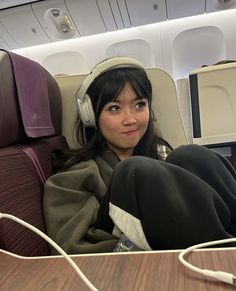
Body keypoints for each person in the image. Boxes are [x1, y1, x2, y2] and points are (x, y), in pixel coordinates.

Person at [43, 57, 236, 255]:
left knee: (193, 155)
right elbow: (70, 249)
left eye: (139, 105)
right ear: (90, 116)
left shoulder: (165, 157)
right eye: (114, 108)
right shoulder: (77, 176)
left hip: (199, 244)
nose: (131, 119)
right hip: (129, 257)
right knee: (134, 170)